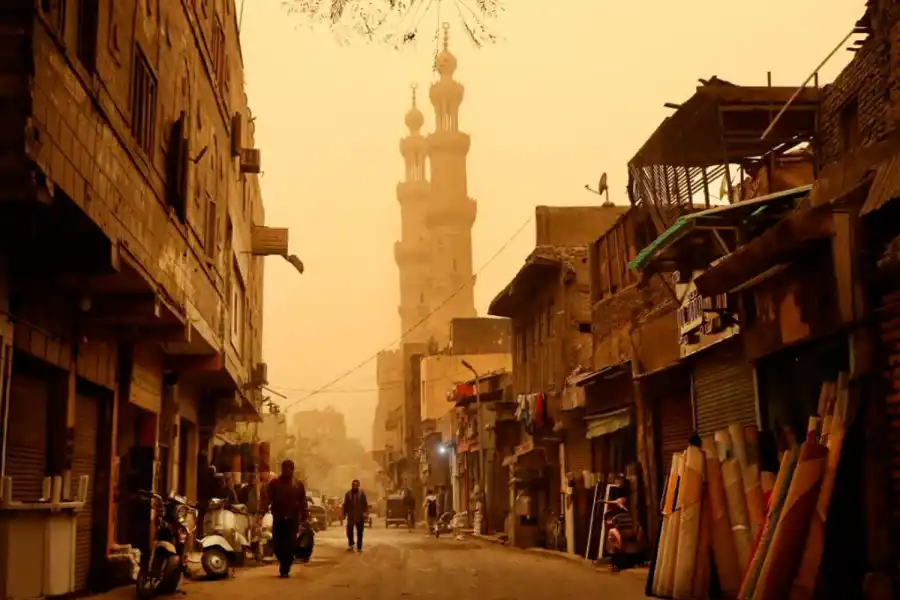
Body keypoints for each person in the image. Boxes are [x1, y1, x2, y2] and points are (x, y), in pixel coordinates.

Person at [260, 460, 308, 578]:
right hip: (279, 518)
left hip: (292, 520)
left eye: (290, 468)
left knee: (290, 545)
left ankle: (285, 568)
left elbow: (303, 502)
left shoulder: (298, 485)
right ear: (282, 469)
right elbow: (267, 498)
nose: (288, 471)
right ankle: (284, 561)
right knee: (277, 545)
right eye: (286, 468)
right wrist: (262, 511)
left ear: (293, 469)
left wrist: (304, 516)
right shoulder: (274, 484)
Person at [602, 494, 644, 572]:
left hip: (626, 544)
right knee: (613, 532)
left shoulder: (619, 515)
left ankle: (619, 560)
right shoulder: (625, 515)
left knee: (612, 532)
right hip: (627, 543)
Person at [343, 479, 369, 552]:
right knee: (349, 531)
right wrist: (344, 514)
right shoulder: (348, 494)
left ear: (358, 486)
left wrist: (365, 512)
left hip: (360, 516)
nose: (354, 486)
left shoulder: (362, 494)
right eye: (353, 485)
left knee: (360, 532)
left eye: (356, 485)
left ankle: (359, 547)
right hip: (351, 516)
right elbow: (345, 505)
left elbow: (365, 504)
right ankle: (351, 544)